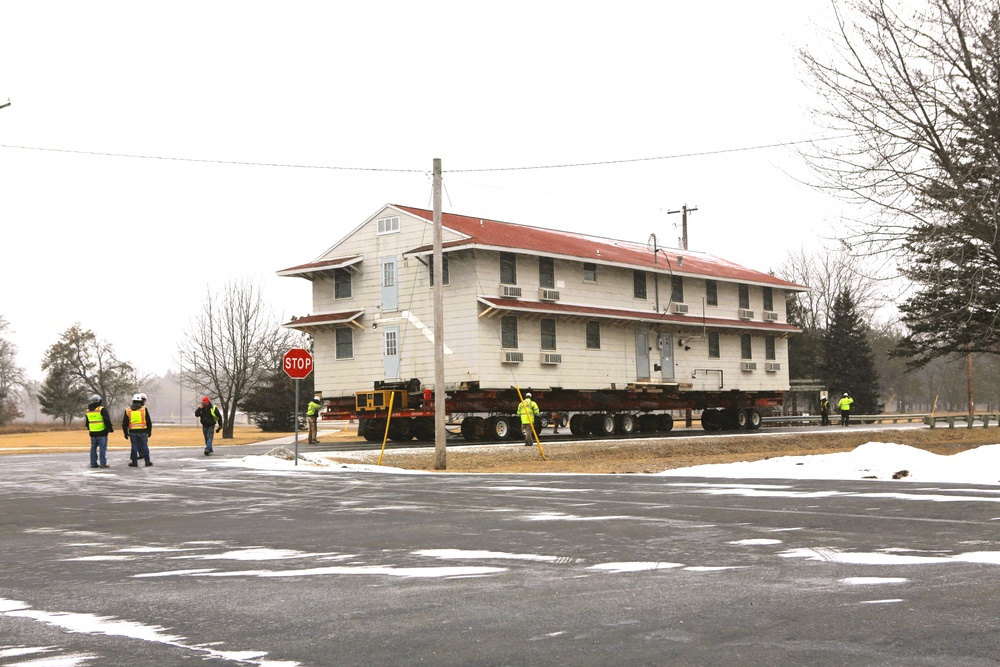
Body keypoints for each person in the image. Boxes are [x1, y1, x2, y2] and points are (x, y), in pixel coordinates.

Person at [122, 393, 153, 467]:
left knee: (134, 446)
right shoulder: (144, 409)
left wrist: (125, 433)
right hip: (143, 430)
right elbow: (148, 421)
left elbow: (125, 423)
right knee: (145, 446)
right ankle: (147, 461)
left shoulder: (128, 410)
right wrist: (149, 431)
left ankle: (134, 462)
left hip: (133, 431)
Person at [85, 394, 114, 468]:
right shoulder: (101, 409)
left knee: (93, 448)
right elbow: (106, 420)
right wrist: (110, 428)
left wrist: (90, 429)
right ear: (100, 401)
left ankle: (93, 463)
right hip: (102, 432)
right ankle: (103, 463)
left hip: (92, 432)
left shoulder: (88, 410)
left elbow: (87, 422)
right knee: (102, 448)